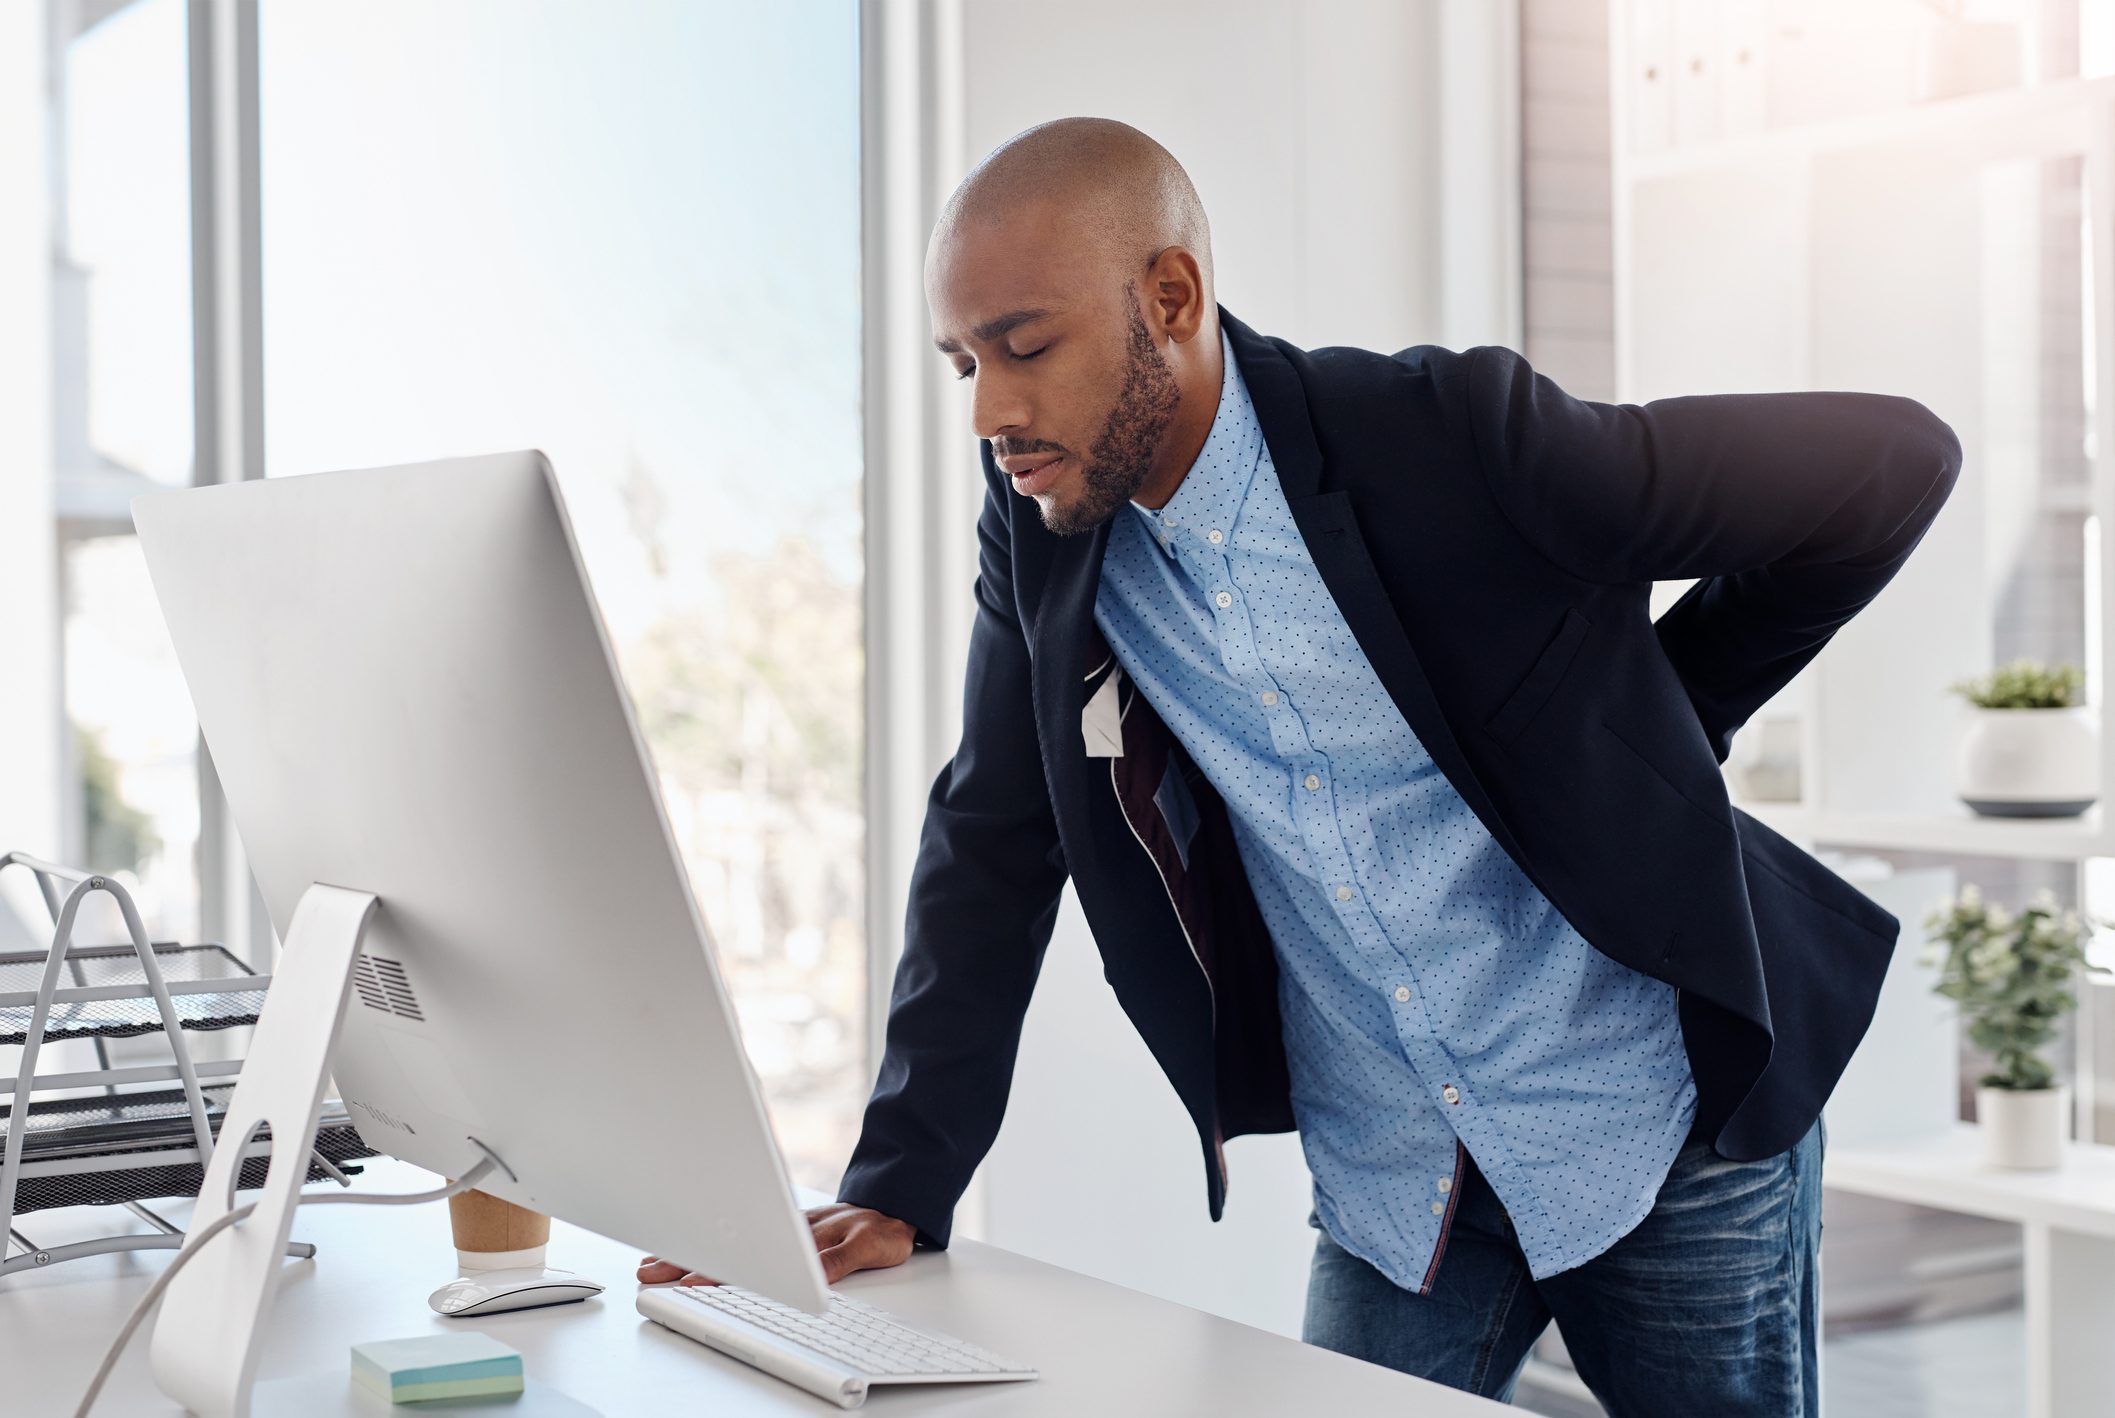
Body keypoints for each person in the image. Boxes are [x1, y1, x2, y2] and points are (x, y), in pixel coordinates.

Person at [640, 117, 1962, 1416]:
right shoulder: (1043, 522)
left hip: (1655, 1124)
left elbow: (1892, 465)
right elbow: (992, 824)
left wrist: (1665, 715)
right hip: (1401, 1174)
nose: (993, 409)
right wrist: (898, 1179)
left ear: (1170, 296)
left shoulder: (1450, 435)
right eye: (962, 362)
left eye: (1025, 346)